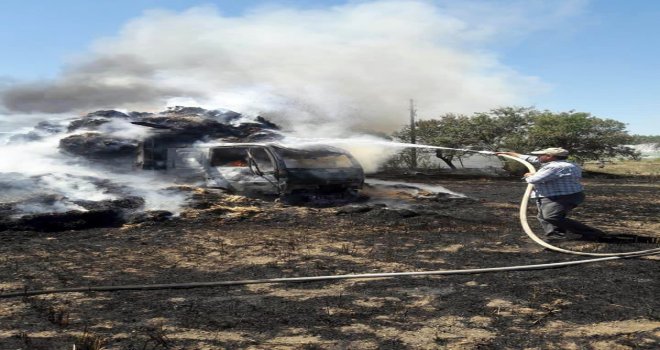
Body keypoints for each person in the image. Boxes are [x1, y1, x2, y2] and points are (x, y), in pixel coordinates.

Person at [496, 147, 604, 241]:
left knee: (551, 216)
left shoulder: (556, 167)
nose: (538, 157)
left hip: (562, 196)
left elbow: (534, 179)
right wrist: (509, 154)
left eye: (540, 155)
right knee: (543, 216)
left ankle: (592, 233)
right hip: (554, 195)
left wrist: (528, 175)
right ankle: (555, 235)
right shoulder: (563, 163)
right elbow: (528, 158)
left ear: (549, 156)